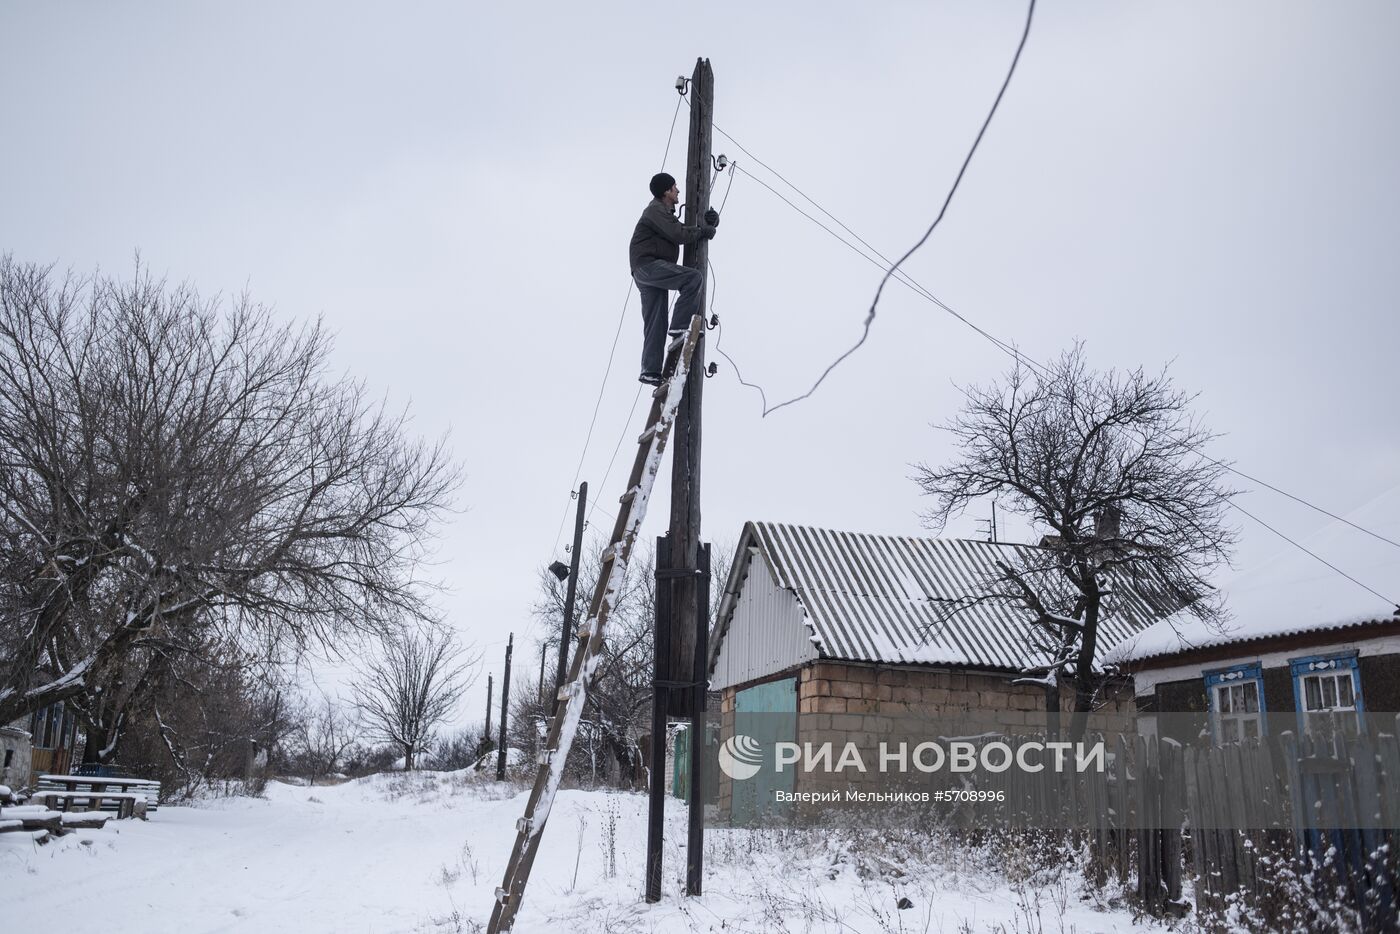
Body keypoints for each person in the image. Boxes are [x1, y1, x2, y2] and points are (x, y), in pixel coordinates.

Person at [628, 172, 719, 384]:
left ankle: (650, 371)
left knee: (656, 322)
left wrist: (708, 223)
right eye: (674, 187)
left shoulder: (663, 212)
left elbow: (680, 229)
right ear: (667, 191)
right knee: (693, 278)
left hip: (645, 269)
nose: (678, 191)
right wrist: (703, 231)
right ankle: (680, 326)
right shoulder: (655, 210)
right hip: (648, 266)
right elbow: (679, 234)